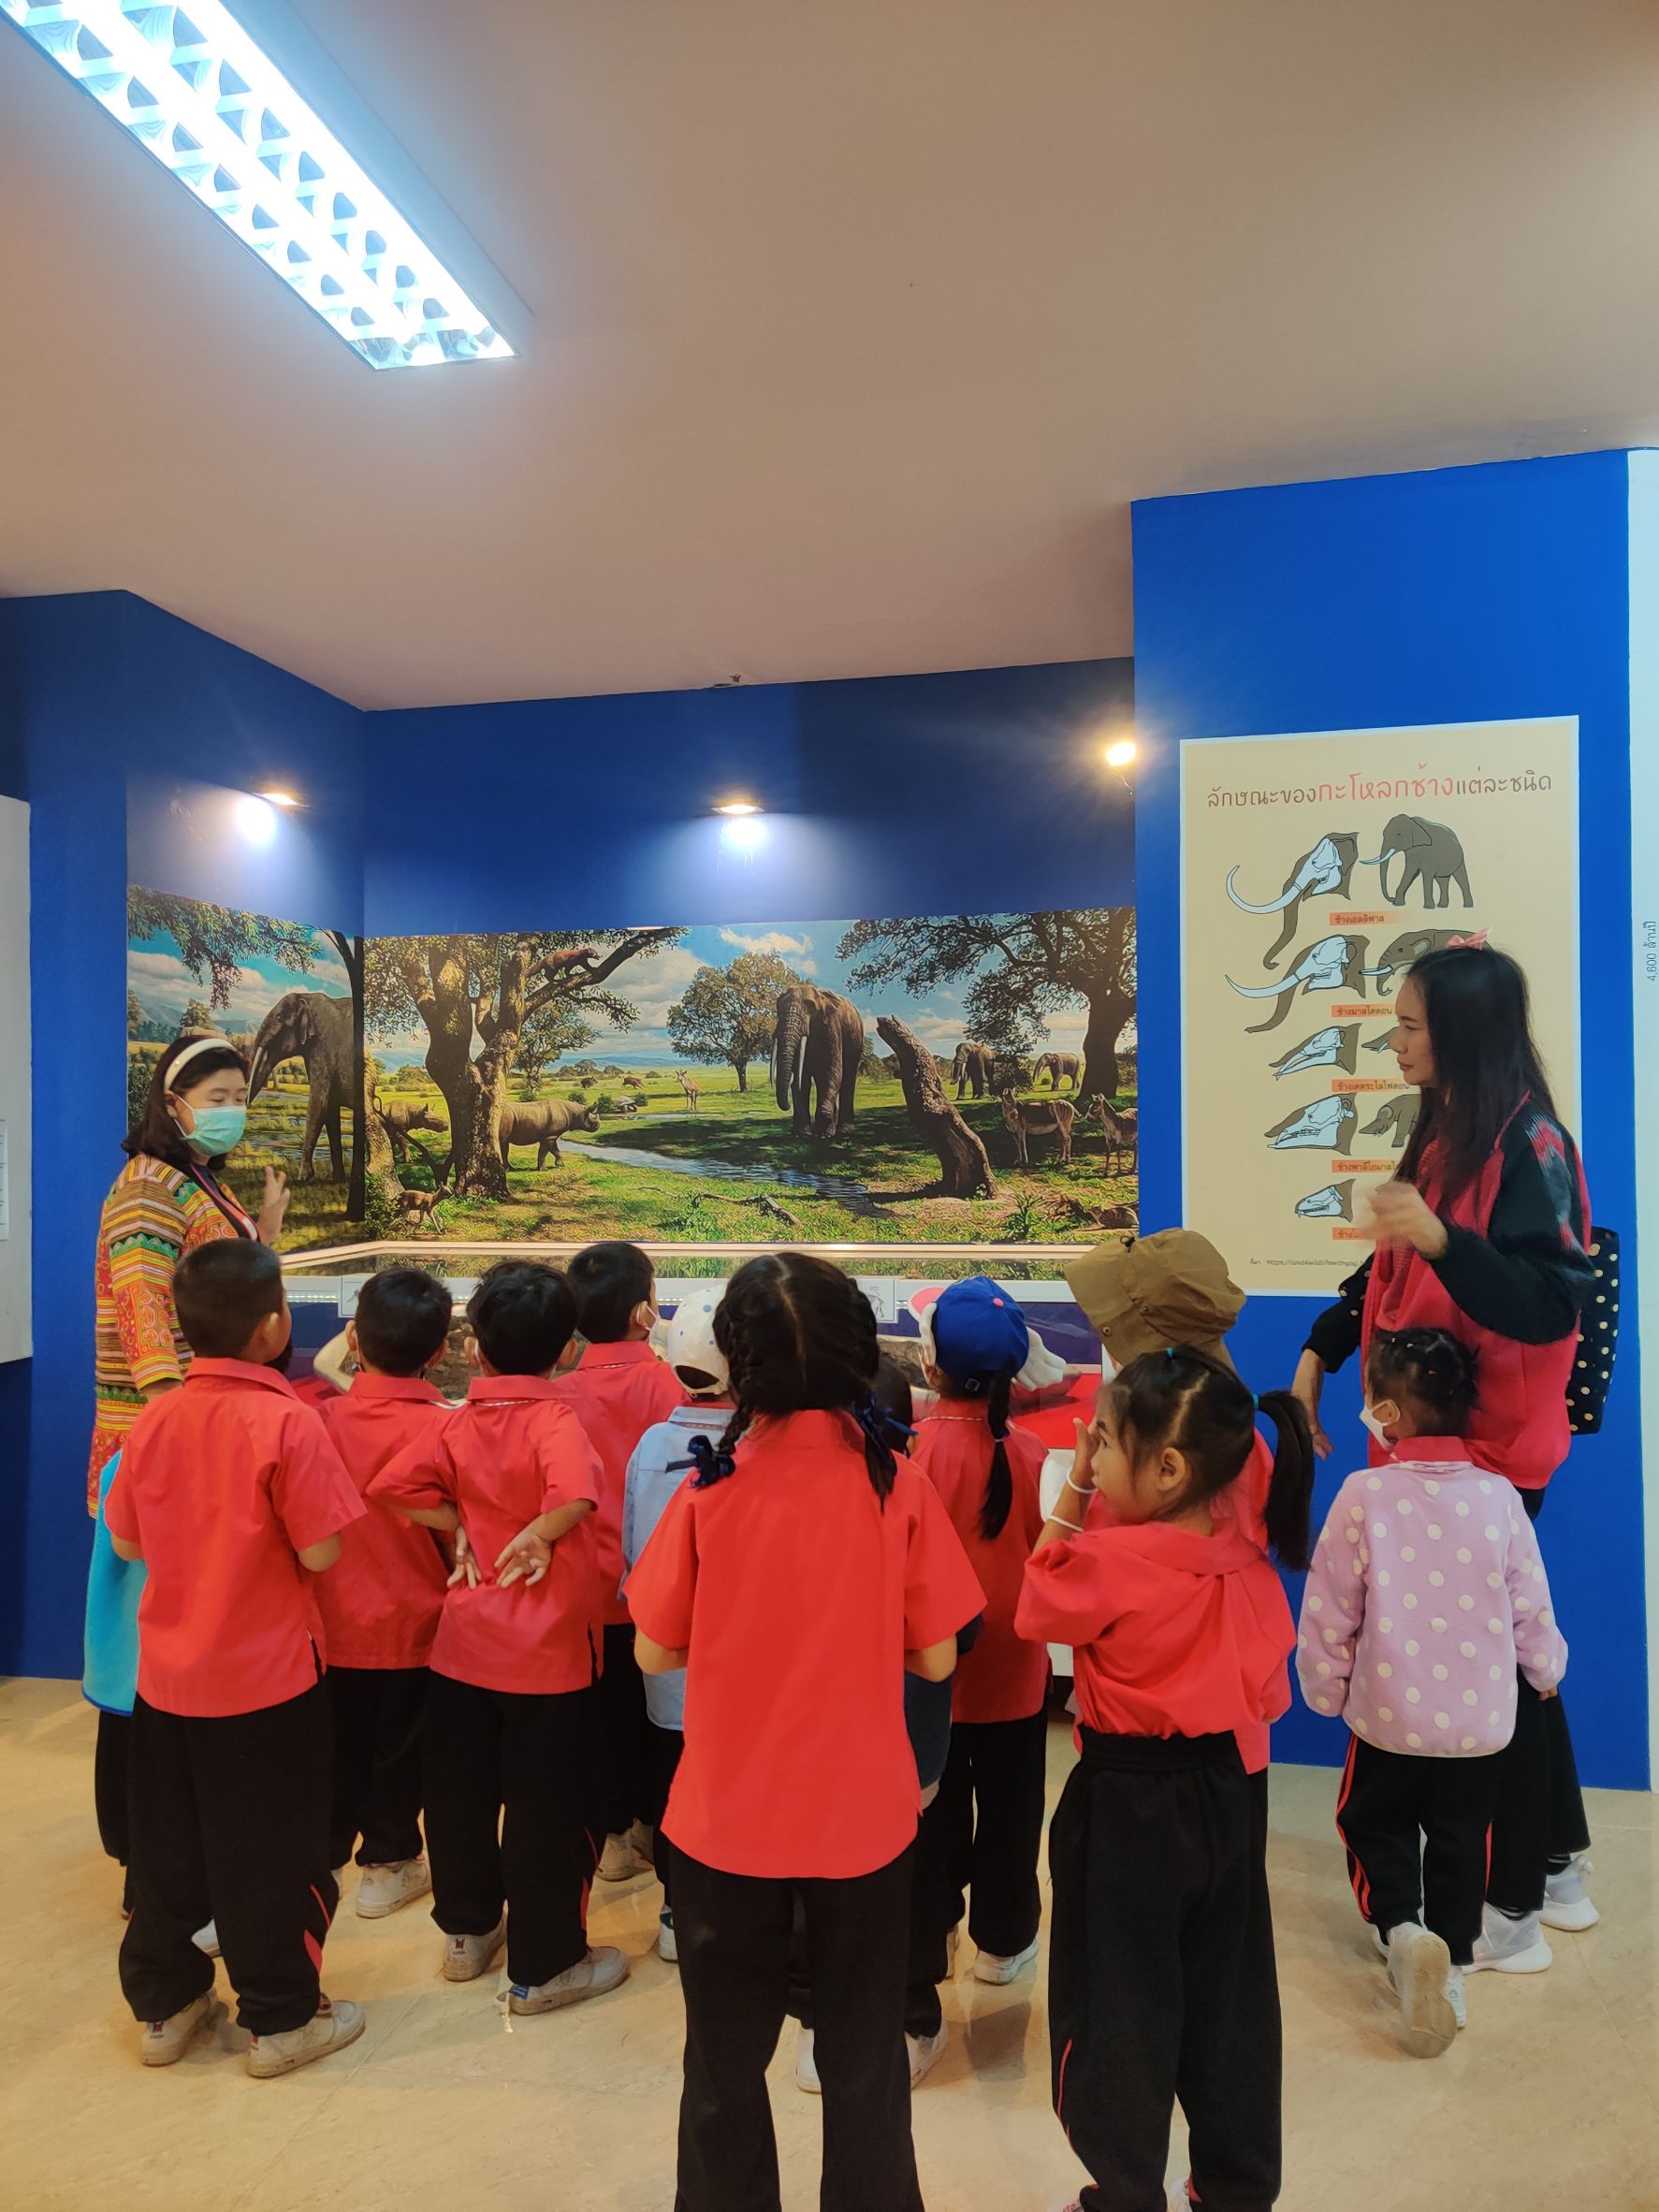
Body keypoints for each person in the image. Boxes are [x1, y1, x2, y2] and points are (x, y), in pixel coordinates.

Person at [626, 1252, 984, 2212]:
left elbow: (654, 1649)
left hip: (725, 1827)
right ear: (860, 1358)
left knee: (722, 2066)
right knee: (863, 2061)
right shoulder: (895, 1486)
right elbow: (937, 1658)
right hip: (862, 1825)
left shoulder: (708, 1490)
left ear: (736, 1367)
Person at [1292, 940, 1597, 1960]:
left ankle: (1513, 1906)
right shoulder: (1443, 1131)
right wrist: (1322, 1348)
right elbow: (1388, 1268)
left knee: (1495, 1671)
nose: (1395, 1042)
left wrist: (1440, 1241)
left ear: (1461, 1033)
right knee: (1504, 1660)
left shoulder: (1531, 1144)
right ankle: (1555, 1862)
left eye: (1411, 1025)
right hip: (1431, 1443)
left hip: (1489, 1454)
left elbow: (1552, 1304)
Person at [1017, 1346, 1314, 2212]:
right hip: (1225, 1792)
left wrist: (1075, 1491)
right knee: (1229, 2003)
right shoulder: (1248, 1566)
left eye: (1105, 1442)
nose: (1094, 1453)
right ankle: (1234, 2188)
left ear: (1169, 1467)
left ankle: (1123, 2193)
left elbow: (1035, 1601)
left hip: (1124, 1800)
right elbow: (1268, 1695)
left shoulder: (1108, 1564)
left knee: (1117, 2003)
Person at [104, 1240, 368, 2078]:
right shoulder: (288, 1421)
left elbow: (124, 1540)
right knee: (270, 1855)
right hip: (267, 1685)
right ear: (272, 1328)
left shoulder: (156, 1418)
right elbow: (322, 1552)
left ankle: (166, 2004)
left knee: (167, 1850)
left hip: (165, 1681)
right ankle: (282, 2018)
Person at [1298, 1327, 1567, 2056]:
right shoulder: (1498, 1497)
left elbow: (1329, 1605)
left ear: (1386, 1412)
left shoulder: (1363, 1494)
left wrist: (1323, 1685)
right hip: (1479, 1724)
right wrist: (1544, 1672)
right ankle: (1448, 1964)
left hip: (1387, 1714)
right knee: (1460, 1838)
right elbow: (1530, 1601)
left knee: (1371, 1822)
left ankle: (1400, 1929)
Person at [371, 1259, 626, 2017]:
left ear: (475, 1350)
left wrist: (460, 1525)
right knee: (548, 1810)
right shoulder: (555, 1420)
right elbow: (575, 1493)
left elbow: (390, 1487)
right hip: (547, 1656)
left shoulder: (456, 1421)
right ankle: (547, 1964)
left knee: (459, 1798)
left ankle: (468, 1932)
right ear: (567, 1349)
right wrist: (539, 1532)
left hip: (462, 1647)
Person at [88, 1031, 291, 1899]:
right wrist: (180, 1424)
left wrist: (264, 1231)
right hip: (160, 1445)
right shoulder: (146, 1186)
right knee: (145, 1654)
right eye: (216, 1096)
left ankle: (176, 1851)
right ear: (172, 1103)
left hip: (197, 1434)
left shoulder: (197, 1178)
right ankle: (148, 1857)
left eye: (240, 1095)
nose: (231, 1109)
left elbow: (218, 1287)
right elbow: (143, 1310)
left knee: (181, 1643)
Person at [910, 1278, 1051, 2020]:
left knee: (929, 1817)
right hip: (1015, 1674)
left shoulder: (909, 1455)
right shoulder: (1028, 1452)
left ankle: (932, 1932)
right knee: (1010, 1815)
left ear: (930, 1368)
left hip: (929, 1679)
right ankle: (1003, 1942)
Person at [314, 1267, 456, 1918]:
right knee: (402, 1752)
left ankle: (321, 1857)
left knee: (335, 1752)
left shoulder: (317, 1421)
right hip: (415, 1627)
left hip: (329, 1626)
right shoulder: (446, 1429)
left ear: (354, 1338)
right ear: (440, 1351)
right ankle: (388, 1864)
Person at [552, 1240, 686, 1882]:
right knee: (662, 1720)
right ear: (643, 1313)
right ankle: (657, 1829)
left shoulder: (558, 1397)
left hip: (586, 1597)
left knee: (602, 1722)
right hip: (662, 1592)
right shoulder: (673, 1386)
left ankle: (610, 1836)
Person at [618, 1290, 733, 1965]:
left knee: (674, 1784)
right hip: (738, 1668)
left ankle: (674, 1906)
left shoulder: (652, 1444)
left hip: (667, 1661)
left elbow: (634, 1552)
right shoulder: (755, 1447)